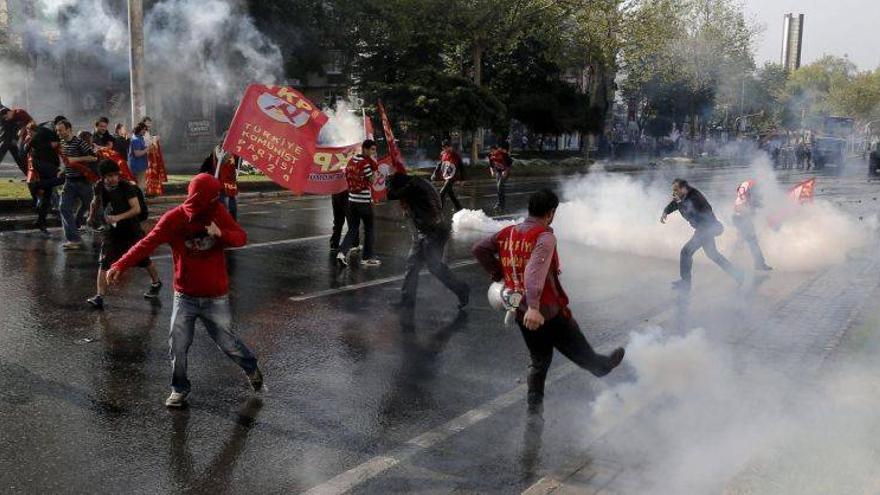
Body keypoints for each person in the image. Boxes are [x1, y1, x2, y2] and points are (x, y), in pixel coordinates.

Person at [106, 173, 263, 408]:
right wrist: (121, 263)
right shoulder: (174, 219)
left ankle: (251, 367)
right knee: (177, 344)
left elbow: (241, 238)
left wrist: (222, 234)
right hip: (185, 295)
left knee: (227, 343)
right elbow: (147, 243)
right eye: (210, 199)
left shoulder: (218, 213)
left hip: (215, 297)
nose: (213, 203)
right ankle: (179, 388)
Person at [472, 189, 625, 417]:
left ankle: (534, 411)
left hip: (520, 308)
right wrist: (534, 307)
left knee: (539, 359)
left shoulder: (508, 233)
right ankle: (602, 369)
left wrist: (497, 273)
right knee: (580, 353)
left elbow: (479, 249)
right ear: (551, 212)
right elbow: (535, 272)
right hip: (546, 311)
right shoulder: (545, 237)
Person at [85, 160, 162, 310]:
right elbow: (95, 202)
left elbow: (136, 209)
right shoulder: (99, 186)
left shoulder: (126, 187)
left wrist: (118, 217)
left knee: (143, 260)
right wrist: (91, 216)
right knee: (104, 261)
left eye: (115, 175)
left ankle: (156, 283)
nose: (113, 178)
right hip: (111, 231)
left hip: (131, 230)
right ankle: (99, 296)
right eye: (109, 176)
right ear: (102, 177)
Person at [388, 172, 470, 310]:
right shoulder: (416, 183)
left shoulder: (412, 186)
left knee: (434, 267)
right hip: (428, 231)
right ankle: (407, 301)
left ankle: (462, 289)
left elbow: (390, 194)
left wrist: (388, 182)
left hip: (434, 232)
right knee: (412, 265)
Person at [661, 179, 742, 291]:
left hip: (706, 229)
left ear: (683, 188)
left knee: (686, 252)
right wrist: (665, 211)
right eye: (673, 190)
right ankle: (739, 275)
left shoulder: (695, 198)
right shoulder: (683, 197)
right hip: (703, 229)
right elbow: (675, 204)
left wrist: (680, 203)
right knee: (713, 255)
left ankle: (685, 283)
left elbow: (691, 214)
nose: (673, 192)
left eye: (676, 189)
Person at [337, 139, 381, 267]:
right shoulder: (365, 164)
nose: (374, 152)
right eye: (372, 149)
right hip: (363, 201)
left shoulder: (352, 161)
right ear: (365, 149)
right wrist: (374, 170)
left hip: (351, 200)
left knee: (352, 229)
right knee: (369, 229)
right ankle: (367, 258)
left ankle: (341, 253)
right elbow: (372, 180)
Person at [56, 119, 97, 250]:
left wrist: (76, 159)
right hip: (69, 181)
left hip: (83, 182)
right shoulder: (62, 143)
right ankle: (74, 239)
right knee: (63, 207)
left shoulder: (79, 142)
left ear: (68, 129)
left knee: (95, 208)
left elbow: (94, 157)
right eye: (57, 130)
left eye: (60, 130)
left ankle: (113, 231)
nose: (58, 133)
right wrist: (63, 170)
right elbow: (67, 160)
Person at [24, 120, 63, 233]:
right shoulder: (43, 131)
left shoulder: (48, 133)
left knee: (47, 194)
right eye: (59, 129)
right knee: (63, 178)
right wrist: (49, 145)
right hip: (42, 163)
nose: (59, 132)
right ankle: (36, 185)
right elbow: (27, 148)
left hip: (47, 164)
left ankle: (41, 222)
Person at [732, 180, 772, 271]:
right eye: (754, 189)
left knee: (748, 242)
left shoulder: (745, 196)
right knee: (750, 242)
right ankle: (734, 262)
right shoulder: (743, 198)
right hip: (741, 219)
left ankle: (733, 261)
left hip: (740, 219)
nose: (756, 191)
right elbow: (740, 209)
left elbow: (757, 205)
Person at [200, 143, 240, 220]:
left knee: (223, 200)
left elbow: (212, 162)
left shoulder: (217, 150)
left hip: (223, 179)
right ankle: (231, 219)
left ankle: (224, 218)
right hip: (227, 179)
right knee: (229, 199)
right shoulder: (232, 150)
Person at [0, 106, 34, 175]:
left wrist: (16, 138)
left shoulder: (19, 113)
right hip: (19, 138)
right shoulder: (10, 116)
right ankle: (29, 175)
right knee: (20, 157)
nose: (6, 119)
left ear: (9, 113)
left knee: (23, 157)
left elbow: (22, 127)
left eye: (6, 117)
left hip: (28, 136)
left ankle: (32, 175)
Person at [435, 140, 463, 212]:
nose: (445, 149)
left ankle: (437, 210)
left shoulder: (455, 155)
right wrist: (435, 173)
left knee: (442, 193)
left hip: (452, 177)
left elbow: (461, 167)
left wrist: (462, 179)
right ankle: (460, 208)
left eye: (446, 147)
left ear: (450, 147)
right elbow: (440, 164)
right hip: (446, 176)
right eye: (444, 148)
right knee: (451, 194)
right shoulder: (443, 154)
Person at [488, 143, 512, 211]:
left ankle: (502, 206)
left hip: (505, 171)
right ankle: (499, 204)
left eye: (493, 151)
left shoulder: (503, 154)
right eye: (491, 151)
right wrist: (492, 171)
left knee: (500, 186)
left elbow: (510, 163)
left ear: (497, 150)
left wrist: (506, 171)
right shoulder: (490, 155)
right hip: (499, 172)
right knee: (499, 189)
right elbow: (491, 165)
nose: (492, 152)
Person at [128, 122, 149, 190]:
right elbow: (137, 154)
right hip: (138, 166)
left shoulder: (140, 138)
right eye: (144, 129)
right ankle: (140, 199)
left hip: (141, 165)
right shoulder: (136, 140)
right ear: (140, 129)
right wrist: (148, 148)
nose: (145, 131)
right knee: (140, 186)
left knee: (141, 185)